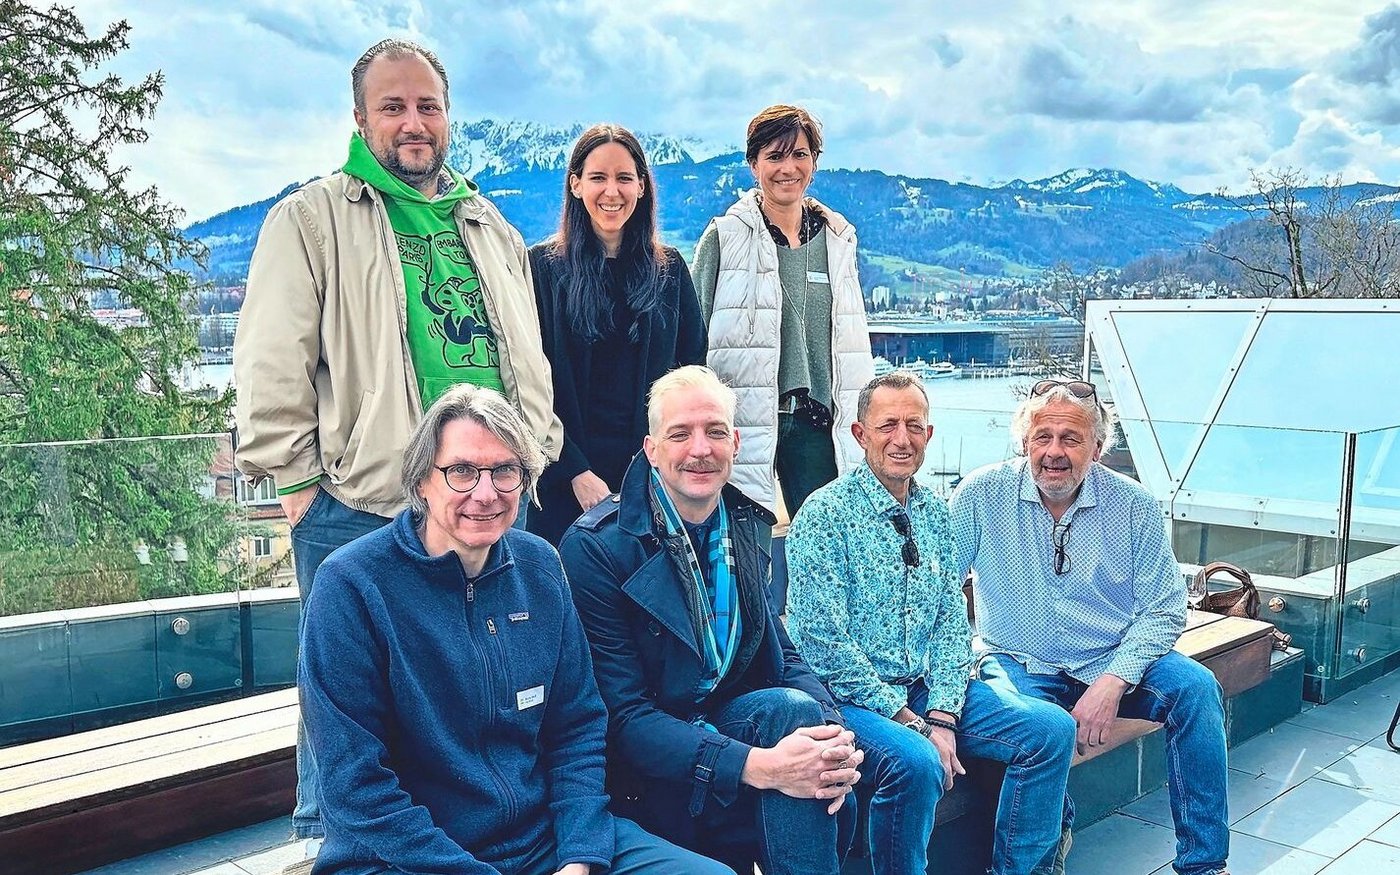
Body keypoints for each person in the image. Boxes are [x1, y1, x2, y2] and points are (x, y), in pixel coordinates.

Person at [233, 38, 562, 844]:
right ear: (359, 118)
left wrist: (537, 450)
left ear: (447, 117)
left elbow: (527, 354)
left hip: (488, 494)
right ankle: (330, 840)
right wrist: (304, 491)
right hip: (363, 501)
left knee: (477, 680)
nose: (413, 123)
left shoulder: (488, 224)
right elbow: (271, 363)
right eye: (393, 106)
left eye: (427, 106)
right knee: (349, 693)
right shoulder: (310, 219)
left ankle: (478, 835)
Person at [298, 383, 733, 875]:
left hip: (541, 843)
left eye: (505, 471)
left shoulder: (539, 567)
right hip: (405, 858)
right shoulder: (353, 585)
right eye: (461, 471)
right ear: (421, 481)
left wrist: (580, 855)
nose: (485, 494)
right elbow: (355, 786)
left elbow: (577, 729)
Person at [560, 365, 864, 875]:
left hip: (730, 733)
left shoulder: (744, 527)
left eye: (715, 431)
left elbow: (781, 652)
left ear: (736, 442)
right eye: (680, 434)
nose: (700, 449)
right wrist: (761, 767)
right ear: (651, 450)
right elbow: (624, 717)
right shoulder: (596, 548)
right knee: (794, 729)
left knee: (808, 731)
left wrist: (835, 735)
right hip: (651, 770)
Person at [786, 372, 1076, 875]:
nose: (902, 439)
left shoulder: (937, 514)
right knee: (916, 763)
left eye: (914, 426)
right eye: (888, 425)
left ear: (929, 435)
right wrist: (909, 722)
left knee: (1050, 729)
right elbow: (822, 643)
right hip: (851, 700)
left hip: (925, 691)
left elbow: (950, 622)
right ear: (859, 435)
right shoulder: (824, 514)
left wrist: (941, 715)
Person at [950, 379, 1231, 875]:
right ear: (1024, 441)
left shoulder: (1133, 505)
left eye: (1071, 438)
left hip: (1110, 656)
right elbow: (939, 591)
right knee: (1038, 731)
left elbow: (1164, 608)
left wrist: (1112, 682)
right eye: (1043, 436)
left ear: (1097, 449)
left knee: (1196, 689)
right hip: (1016, 658)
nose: (1054, 452)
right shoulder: (980, 493)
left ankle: (1204, 864)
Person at [691, 104, 874, 520]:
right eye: (774, 156)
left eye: (799, 155)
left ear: (814, 162)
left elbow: (849, 339)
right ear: (753, 164)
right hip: (745, 423)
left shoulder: (838, 241)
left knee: (827, 543)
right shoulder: (724, 238)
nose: (787, 168)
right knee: (742, 551)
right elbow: (694, 337)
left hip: (815, 426)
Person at [528, 123, 705, 545]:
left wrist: (658, 469)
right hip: (561, 484)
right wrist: (573, 471)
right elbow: (529, 382)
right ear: (575, 185)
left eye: (624, 178)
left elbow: (691, 376)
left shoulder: (670, 271)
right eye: (598, 178)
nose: (612, 191)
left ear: (642, 187)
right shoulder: (543, 269)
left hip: (650, 484)